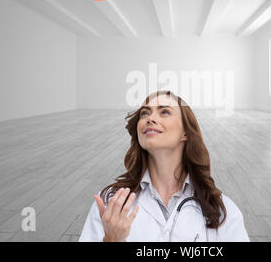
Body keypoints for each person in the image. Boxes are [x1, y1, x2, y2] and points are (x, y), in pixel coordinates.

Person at [79, 90, 250, 242]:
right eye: (145, 113)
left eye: (165, 112)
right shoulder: (110, 203)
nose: (150, 119)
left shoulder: (224, 212)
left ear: (185, 132)